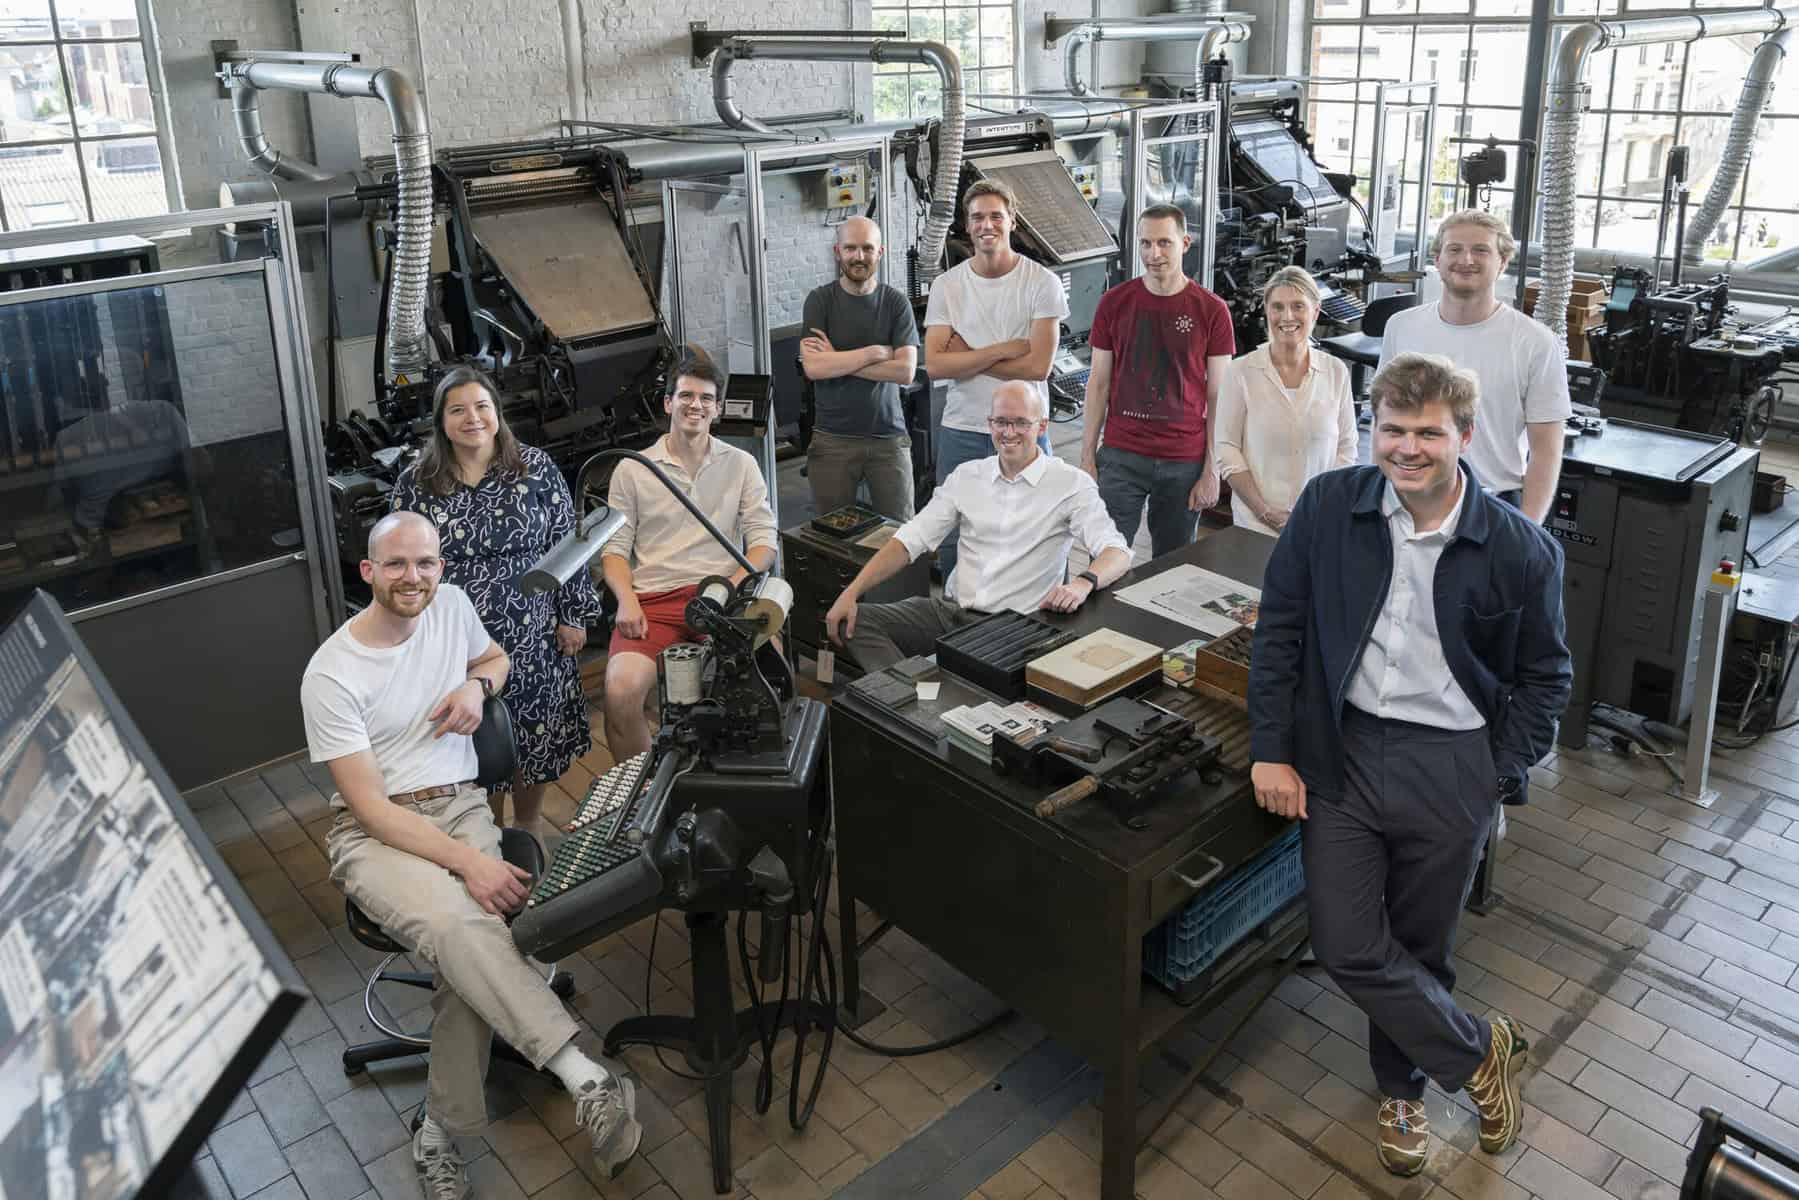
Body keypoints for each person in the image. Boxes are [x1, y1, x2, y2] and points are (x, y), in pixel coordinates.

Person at [1247, 353, 1572, 1178]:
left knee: (1421, 946)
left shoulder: (1518, 550)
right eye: (1391, 429)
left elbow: (1547, 678)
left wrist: (1490, 772)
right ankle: (1480, 1053)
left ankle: (1401, 1092)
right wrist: (1271, 747)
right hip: (1343, 750)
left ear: (1464, 436)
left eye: (1428, 432)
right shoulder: (1328, 506)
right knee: (1349, 943)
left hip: (1451, 758)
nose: (1407, 448)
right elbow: (1279, 630)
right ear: (1372, 431)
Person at [300, 510, 641, 1199]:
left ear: (440, 569)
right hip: (377, 833)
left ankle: (438, 1131)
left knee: (467, 949)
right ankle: (587, 1077)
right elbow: (369, 809)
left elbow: (493, 659)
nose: (412, 576)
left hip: (459, 804)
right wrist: (470, 863)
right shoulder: (331, 672)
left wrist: (475, 686)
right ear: (368, 572)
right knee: (463, 925)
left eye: (425, 563)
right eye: (395, 564)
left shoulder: (451, 606)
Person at [390, 366, 602, 835]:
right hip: (456, 641)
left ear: (497, 413)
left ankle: (526, 828)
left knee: (533, 735)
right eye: (458, 410)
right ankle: (488, 833)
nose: (473, 418)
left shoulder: (535, 467)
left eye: (482, 406)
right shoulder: (417, 482)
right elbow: (401, 560)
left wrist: (574, 615)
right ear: (441, 420)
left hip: (535, 633)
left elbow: (569, 544)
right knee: (476, 742)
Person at [824, 380, 1131, 672]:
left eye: (1021, 423)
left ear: (1041, 426)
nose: (1009, 432)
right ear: (989, 425)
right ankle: (911, 696)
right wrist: (852, 591)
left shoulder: (1070, 484)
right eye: (1001, 422)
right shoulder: (967, 476)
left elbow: (1117, 552)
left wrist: (1082, 583)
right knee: (853, 621)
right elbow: (909, 540)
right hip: (951, 615)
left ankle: (917, 700)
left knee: (976, 678)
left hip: (1014, 629)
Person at [601, 347, 778, 758]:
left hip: (722, 597)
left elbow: (763, 541)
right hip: (655, 602)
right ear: (668, 403)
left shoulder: (741, 465)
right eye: (685, 396)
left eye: (705, 398)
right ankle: (649, 793)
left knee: (767, 681)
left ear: (717, 409)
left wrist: (730, 588)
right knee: (620, 692)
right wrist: (626, 600)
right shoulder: (634, 469)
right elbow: (614, 550)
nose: (694, 405)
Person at [1377, 209, 1570, 521]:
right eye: (1454, 249)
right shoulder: (1401, 327)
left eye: (1481, 250)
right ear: (1437, 260)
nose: (1466, 260)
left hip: (1492, 504)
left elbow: (1546, 451)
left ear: (1502, 262)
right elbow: (1383, 421)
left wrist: (1527, 529)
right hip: (1406, 500)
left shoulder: (1536, 343)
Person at [923, 179, 1070, 587]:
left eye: (995, 216)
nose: (986, 224)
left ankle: (1046, 625)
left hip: (1025, 430)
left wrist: (968, 355)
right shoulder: (947, 286)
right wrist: (1004, 349)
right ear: (966, 227)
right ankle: (961, 620)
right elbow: (935, 365)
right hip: (964, 429)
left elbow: (1039, 366)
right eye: (977, 218)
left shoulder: (1041, 283)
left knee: (1038, 530)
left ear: (1012, 221)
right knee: (956, 532)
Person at [1080, 204, 1233, 557]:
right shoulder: (1113, 303)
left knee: (1174, 565)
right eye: (1146, 244)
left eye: (1164, 243)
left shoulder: (1212, 310)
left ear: (1185, 242)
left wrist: (1212, 470)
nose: (1154, 253)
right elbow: (1099, 383)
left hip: (1184, 461)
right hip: (1120, 457)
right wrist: (1088, 456)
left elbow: (1218, 397)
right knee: (1104, 558)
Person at [1211, 266, 1357, 536]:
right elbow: (1227, 449)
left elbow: (1347, 449)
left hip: (1319, 522)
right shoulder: (1240, 372)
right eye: (1277, 306)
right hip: (1256, 524)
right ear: (1266, 310)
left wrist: (1319, 507)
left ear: (1315, 311)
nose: (1287, 316)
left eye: (1298, 306)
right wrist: (1264, 510)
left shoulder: (1336, 371)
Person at [799, 216, 921, 520]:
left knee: (900, 535)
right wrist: (874, 353)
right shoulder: (820, 301)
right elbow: (813, 368)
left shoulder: (896, 303)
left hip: (889, 439)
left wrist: (838, 360)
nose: (859, 256)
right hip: (832, 439)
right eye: (851, 248)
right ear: (837, 251)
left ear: (880, 252)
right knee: (831, 539)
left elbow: (905, 372)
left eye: (867, 248)